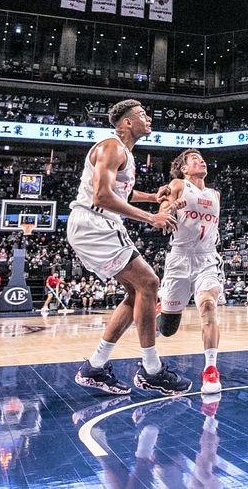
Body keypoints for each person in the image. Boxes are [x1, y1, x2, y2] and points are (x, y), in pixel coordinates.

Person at [70, 99, 188, 397]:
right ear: (126, 123)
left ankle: (95, 366)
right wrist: (152, 216)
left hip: (99, 224)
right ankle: (151, 371)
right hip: (95, 222)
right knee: (149, 282)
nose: (148, 118)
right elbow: (101, 196)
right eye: (142, 115)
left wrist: (151, 197)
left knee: (137, 290)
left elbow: (121, 190)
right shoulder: (112, 147)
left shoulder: (125, 154)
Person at [155, 149, 227, 394]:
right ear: (184, 169)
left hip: (207, 259)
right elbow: (163, 212)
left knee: (208, 305)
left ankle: (210, 370)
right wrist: (172, 206)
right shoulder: (177, 184)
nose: (201, 160)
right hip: (179, 260)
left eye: (202, 157)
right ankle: (160, 311)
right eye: (194, 158)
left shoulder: (215, 193)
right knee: (167, 329)